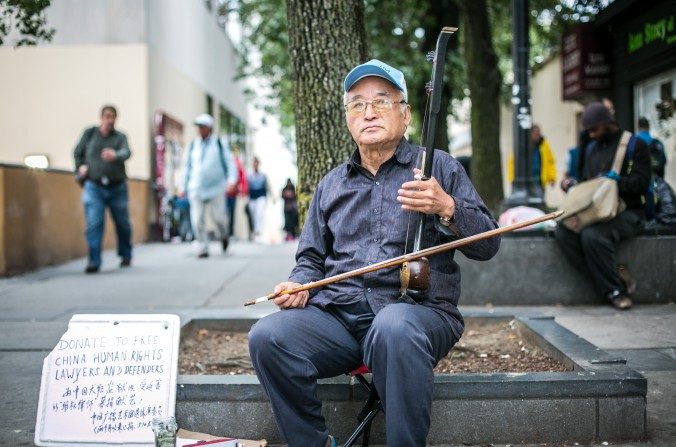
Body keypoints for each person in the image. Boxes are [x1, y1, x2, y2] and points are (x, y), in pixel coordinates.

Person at [248, 59, 500, 446]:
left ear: (406, 114)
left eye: (382, 101)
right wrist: (299, 284)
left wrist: (447, 206)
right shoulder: (332, 184)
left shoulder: (439, 168)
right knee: (267, 336)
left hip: (420, 314)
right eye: (357, 104)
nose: (368, 113)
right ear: (348, 118)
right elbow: (311, 259)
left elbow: (488, 244)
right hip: (339, 319)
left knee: (394, 326)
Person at [555, 102, 651, 310]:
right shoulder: (592, 148)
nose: (591, 135)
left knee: (592, 236)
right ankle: (612, 278)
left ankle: (615, 291)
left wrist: (613, 182)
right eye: (588, 131)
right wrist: (572, 187)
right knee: (563, 231)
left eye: (594, 130)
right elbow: (587, 186)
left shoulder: (634, 145)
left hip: (629, 212)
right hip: (596, 213)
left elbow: (642, 184)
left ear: (608, 123)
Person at [73, 105, 133, 273]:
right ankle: (94, 261)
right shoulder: (90, 134)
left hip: (117, 187)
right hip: (94, 186)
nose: (110, 120)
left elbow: (127, 152)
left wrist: (116, 155)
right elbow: (77, 153)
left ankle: (125, 254)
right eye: (107, 116)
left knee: (123, 224)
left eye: (113, 117)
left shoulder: (120, 137)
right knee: (94, 224)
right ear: (101, 118)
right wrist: (81, 167)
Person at [181, 113, 237, 258]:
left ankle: (224, 236)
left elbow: (230, 163)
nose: (199, 130)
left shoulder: (219, 143)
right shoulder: (193, 145)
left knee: (218, 218)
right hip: (196, 187)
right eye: (198, 127)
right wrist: (183, 186)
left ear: (209, 128)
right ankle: (203, 247)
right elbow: (186, 167)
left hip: (216, 188)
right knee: (197, 218)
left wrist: (232, 180)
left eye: (202, 127)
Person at [507, 124, 557, 199]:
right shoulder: (522, 145)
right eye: (535, 133)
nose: (538, 136)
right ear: (530, 133)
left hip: (539, 182)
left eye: (539, 133)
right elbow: (512, 162)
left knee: (538, 203)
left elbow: (550, 162)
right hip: (524, 183)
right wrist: (512, 179)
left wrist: (552, 177)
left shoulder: (544, 145)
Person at [226, 146, 248, 238]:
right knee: (225, 213)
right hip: (224, 192)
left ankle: (230, 233)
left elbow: (242, 178)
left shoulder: (238, 164)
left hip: (233, 193)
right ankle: (226, 232)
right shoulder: (227, 163)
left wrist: (243, 190)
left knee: (231, 213)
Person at [246, 157, 269, 242]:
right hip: (252, 197)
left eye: (256, 163)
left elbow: (267, 186)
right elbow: (247, 187)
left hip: (261, 196)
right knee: (254, 215)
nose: (255, 165)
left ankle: (258, 232)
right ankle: (255, 232)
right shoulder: (249, 175)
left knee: (259, 213)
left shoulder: (263, 175)